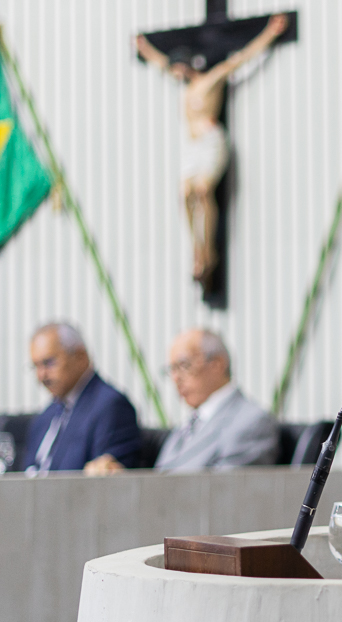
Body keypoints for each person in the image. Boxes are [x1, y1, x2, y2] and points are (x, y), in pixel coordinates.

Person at [134, 14, 288, 286]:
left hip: (210, 141)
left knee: (203, 191)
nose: (176, 73)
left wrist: (270, 34)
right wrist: (145, 48)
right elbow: (161, 63)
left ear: (189, 65)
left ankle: (209, 250)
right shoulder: (184, 85)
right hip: (192, 146)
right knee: (184, 194)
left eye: (179, 68)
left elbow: (240, 59)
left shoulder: (210, 81)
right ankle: (198, 247)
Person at [21, 323, 142, 476]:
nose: (41, 376)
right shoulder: (46, 415)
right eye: (35, 366)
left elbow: (109, 479)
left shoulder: (111, 407)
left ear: (80, 356)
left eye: (48, 363)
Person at [154, 329, 278, 471]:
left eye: (184, 365)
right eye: (172, 369)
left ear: (217, 364)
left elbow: (225, 489)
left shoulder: (252, 423)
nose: (176, 378)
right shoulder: (188, 424)